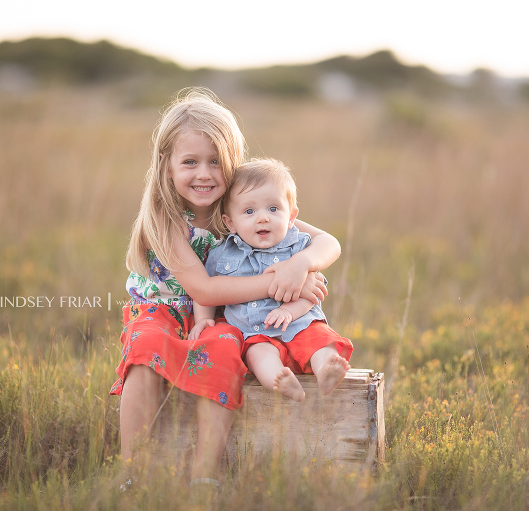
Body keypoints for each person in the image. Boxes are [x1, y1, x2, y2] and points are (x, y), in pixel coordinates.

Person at [110, 89, 341, 487]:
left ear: (232, 162)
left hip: (216, 319)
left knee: (223, 349)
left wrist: (301, 264)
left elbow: (328, 243)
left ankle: (204, 472)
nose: (204, 174)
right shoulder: (164, 220)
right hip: (162, 311)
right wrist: (279, 279)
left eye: (215, 161)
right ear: (166, 165)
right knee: (147, 347)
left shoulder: (242, 207)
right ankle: (133, 472)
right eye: (190, 162)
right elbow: (204, 291)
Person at [191, 158, 352, 402]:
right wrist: (203, 320)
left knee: (320, 339)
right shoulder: (222, 254)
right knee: (258, 355)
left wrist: (289, 311)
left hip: (300, 323)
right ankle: (280, 380)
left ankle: (326, 369)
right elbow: (206, 290)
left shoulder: (299, 247)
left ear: (291, 216)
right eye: (249, 211)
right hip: (255, 332)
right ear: (230, 222)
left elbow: (313, 294)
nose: (263, 218)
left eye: (273, 209)